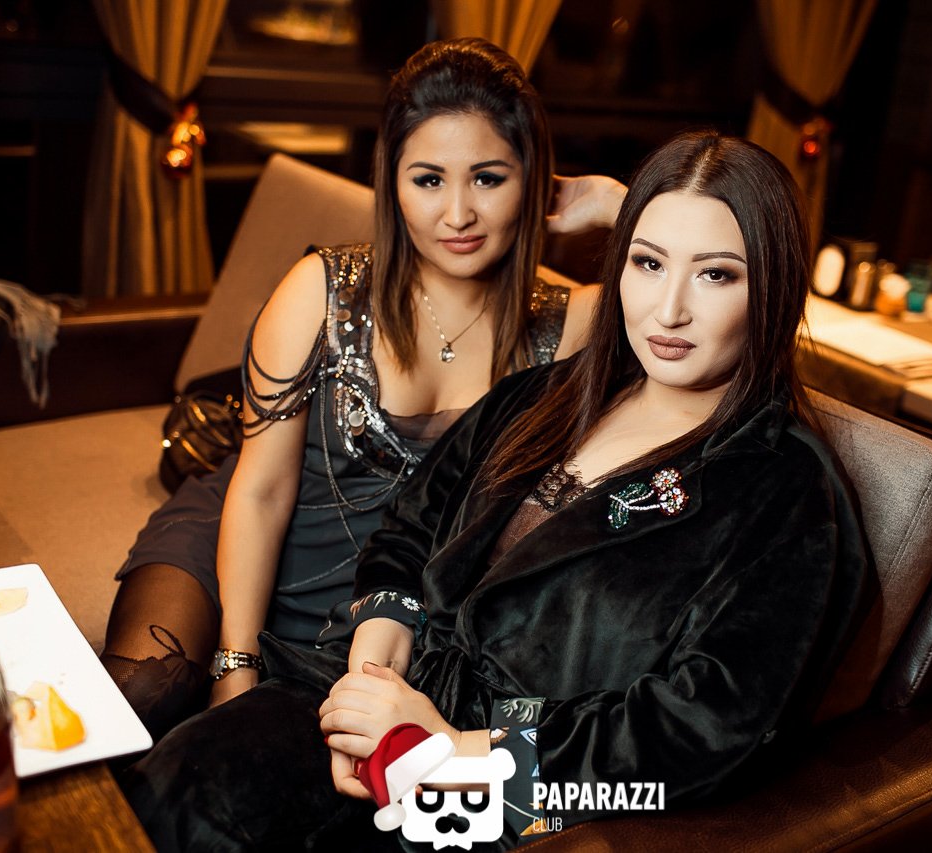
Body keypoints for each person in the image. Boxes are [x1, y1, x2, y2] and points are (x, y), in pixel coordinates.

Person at [121, 129, 871, 852]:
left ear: (773, 287)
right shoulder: (548, 394)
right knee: (172, 789)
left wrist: (455, 750)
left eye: (716, 274)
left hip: (514, 797)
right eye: (647, 263)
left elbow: (707, 729)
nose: (668, 308)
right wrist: (370, 680)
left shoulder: (785, 488)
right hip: (389, 700)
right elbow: (410, 529)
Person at [99, 38, 617, 739]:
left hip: (388, 614)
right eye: (428, 179)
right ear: (391, 181)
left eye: (489, 179)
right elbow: (259, 492)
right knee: (141, 696)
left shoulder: (575, 324)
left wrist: (613, 202)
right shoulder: (321, 290)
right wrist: (235, 665)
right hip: (239, 542)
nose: (457, 213)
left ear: (533, 180)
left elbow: (729, 289)